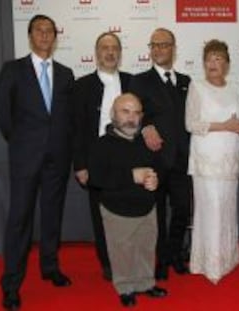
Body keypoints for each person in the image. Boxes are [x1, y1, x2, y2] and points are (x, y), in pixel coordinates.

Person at [0, 14, 74, 310]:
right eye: (39, 30)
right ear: (30, 36)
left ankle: (50, 267)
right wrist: (23, 143)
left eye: (49, 31)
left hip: (58, 157)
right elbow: (4, 116)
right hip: (25, 157)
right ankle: (11, 283)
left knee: (52, 215)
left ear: (55, 37)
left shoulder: (66, 74)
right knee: (19, 219)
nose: (44, 35)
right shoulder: (13, 70)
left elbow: (68, 119)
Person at [87, 93, 167, 307]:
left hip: (147, 208)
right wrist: (132, 176)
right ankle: (125, 287)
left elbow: (157, 169)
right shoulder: (101, 145)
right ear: (113, 114)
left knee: (146, 247)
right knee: (122, 251)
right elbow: (96, 178)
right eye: (125, 111)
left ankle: (146, 283)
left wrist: (154, 180)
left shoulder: (145, 143)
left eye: (136, 112)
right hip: (117, 209)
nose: (131, 117)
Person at [128, 28, 191, 280]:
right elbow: (133, 114)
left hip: (183, 159)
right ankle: (162, 260)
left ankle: (175, 252)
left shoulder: (187, 81)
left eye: (163, 45)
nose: (157, 49)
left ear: (173, 48)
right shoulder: (139, 80)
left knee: (182, 210)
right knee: (156, 215)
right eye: (153, 45)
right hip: (153, 160)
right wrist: (145, 127)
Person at [185, 39, 239, 283]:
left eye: (218, 58)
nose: (213, 63)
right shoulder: (196, 87)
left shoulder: (235, 89)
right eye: (209, 59)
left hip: (230, 159)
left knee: (226, 209)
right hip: (206, 160)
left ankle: (227, 258)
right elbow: (190, 124)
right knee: (210, 208)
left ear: (227, 64)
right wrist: (224, 125)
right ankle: (209, 264)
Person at [73, 32, 133, 281]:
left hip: (129, 159)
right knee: (101, 216)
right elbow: (76, 129)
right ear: (97, 54)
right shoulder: (82, 85)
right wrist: (80, 165)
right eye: (104, 48)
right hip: (96, 161)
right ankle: (108, 263)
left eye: (114, 48)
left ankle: (129, 261)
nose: (110, 52)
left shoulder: (132, 81)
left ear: (120, 53)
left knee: (129, 212)